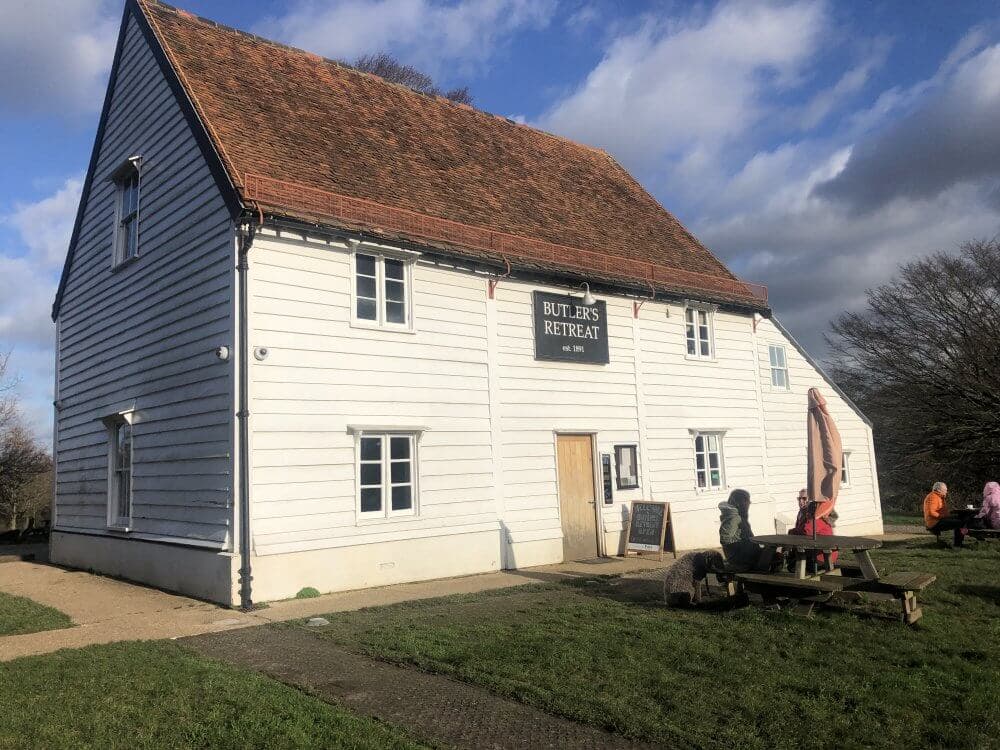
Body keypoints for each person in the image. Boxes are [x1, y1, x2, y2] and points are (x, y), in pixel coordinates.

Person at [789, 488, 837, 570]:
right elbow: (800, 530)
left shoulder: (818, 515)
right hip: (812, 550)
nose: (801, 501)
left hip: (822, 556)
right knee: (792, 558)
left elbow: (807, 531)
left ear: (811, 500)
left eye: (804, 498)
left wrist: (792, 531)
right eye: (799, 498)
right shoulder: (802, 512)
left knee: (795, 564)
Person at [718, 489, 759, 571]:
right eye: (747, 501)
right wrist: (746, 545)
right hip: (740, 559)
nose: (748, 504)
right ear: (739, 502)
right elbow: (725, 539)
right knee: (769, 554)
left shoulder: (738, 516)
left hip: (744, 556)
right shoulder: (733, 517)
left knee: (770, 554)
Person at [923, 481, 967, 547]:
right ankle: (958, 544)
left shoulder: (940, 497)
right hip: (934, 523)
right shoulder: (933, 497)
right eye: (945, 490)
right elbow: (931, 512)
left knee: (960, 518)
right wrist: (943, 516)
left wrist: (949, 514)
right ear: (938, 490)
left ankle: (958, 542)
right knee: (959, 523)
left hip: (939, 520)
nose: (946, 491)